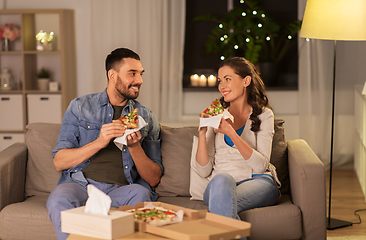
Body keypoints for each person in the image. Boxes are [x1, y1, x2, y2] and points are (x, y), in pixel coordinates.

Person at [46, 48, 163, 240]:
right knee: (58, 198)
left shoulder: (146, 117)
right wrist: (99, 142)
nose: (139, 80)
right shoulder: (80, 107)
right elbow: (59, 162)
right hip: (81, 185)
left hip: (122, 190)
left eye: (140, 74)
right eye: (132, 74)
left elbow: (153, 179)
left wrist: (135, 147)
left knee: (142, 195)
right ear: (112, 75)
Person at [195, 57, 280, 222]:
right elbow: (203, 171)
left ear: (246, 81)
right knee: (222, 180)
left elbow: (261, 165)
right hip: (220, 184)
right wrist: (201, 133)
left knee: (221, 204)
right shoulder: (216, 114)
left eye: (228, 79)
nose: (222, 86)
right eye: (220, 81)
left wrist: (231, 132)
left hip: (258, 181)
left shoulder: (264, 115)